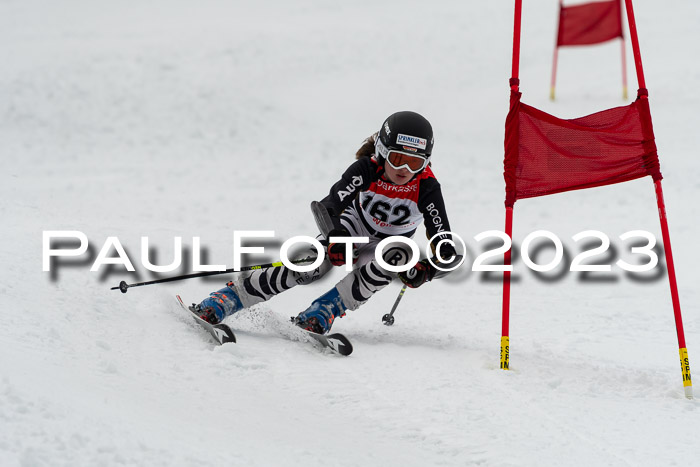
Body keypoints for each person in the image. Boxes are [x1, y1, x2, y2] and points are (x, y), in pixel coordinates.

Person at [193, 111, 457, 334]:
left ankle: (324, 309)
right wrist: (335, 236)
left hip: (387, 244)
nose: (405, 171)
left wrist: (427, 270)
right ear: (382, 151)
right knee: (312, 264)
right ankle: (229, 297)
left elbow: (447, 248)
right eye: (398, 159)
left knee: (397, 256)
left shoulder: (427, 187)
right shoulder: (367, 168)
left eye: (415, 162)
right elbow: (328, 206)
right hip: (354, 226)